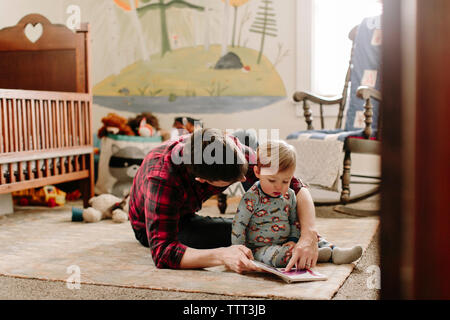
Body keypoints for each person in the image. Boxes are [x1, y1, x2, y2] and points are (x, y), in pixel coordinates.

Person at [128, 128, 320, 273]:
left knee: (269, 228)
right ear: (203, 180)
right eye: (232, 181)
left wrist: (308, 234)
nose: (245, 181)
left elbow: (296, 186)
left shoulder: (230, 150)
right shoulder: (162, 178)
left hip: (187, 201)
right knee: (242, 233)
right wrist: (222, 255)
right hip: (153, 225)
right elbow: (163, 252)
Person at [231, 140, 363, 269]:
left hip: (289, 240)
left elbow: (294, 221)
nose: (278, 186)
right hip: (261, 247)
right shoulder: (251, 198)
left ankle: (334, 252)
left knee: (312, 237)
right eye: (272, 180)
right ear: (257, 172)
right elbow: (239, 226)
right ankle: (320, 256)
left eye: (285, 181)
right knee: (278, 257)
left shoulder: (290, 195)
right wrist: (240, 251)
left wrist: (294, 240)